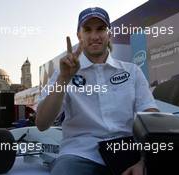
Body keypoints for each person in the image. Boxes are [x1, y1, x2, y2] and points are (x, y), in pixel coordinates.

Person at [36, 7, 159, 175]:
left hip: (129, 149)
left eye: (100, 29)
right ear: (79, 35)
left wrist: (145, 161)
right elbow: (42, 123)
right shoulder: (62, 74)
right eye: (87, 29)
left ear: (109, 33)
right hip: (80, 154)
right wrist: (64, 79)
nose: (94, 36)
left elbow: (151, 116)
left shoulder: (132, 71)